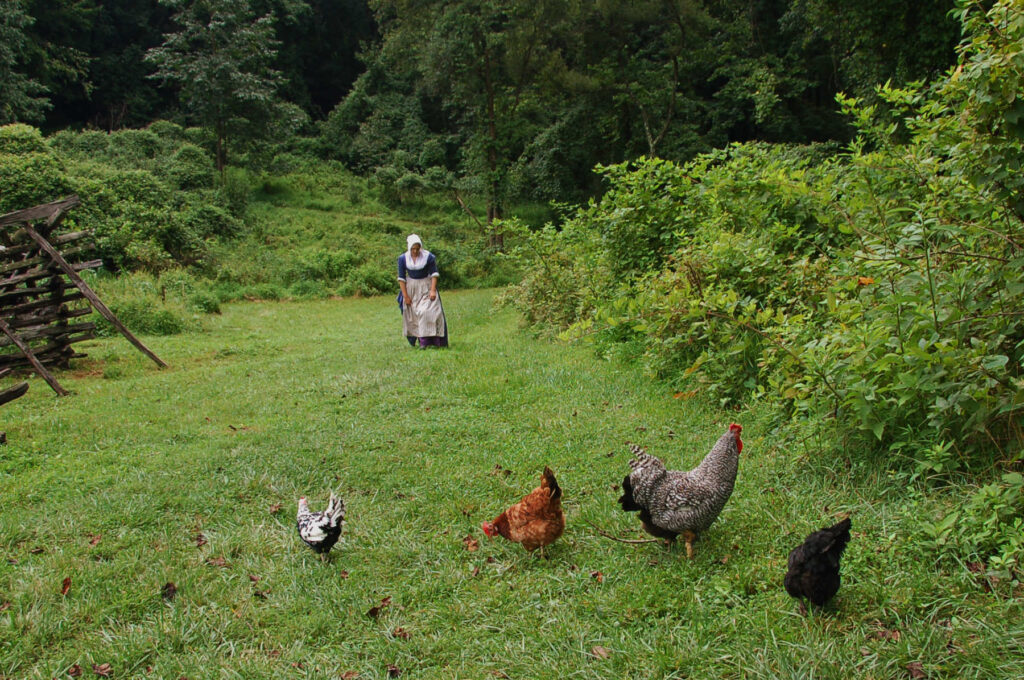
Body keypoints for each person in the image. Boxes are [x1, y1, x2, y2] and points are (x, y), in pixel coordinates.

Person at [397, 234, 448, 348]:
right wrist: (405, 296)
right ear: (409, 248)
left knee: (426, 312)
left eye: (417, 248)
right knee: (413, 314)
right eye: (413, 249)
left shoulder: (428, 257)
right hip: (411, 288)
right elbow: (401, 278)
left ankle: (428, 342)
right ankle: (420, 341)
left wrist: (433, 290)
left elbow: (434, 274)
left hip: (426, 286)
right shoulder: (403, 258)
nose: (415, 251)